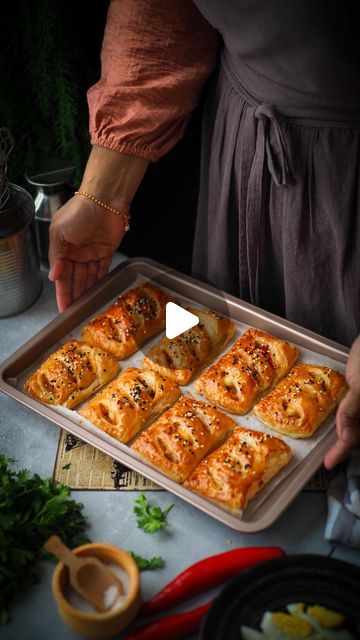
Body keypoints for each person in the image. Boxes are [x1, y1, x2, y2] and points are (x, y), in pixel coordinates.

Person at [48, 0, 360, 470]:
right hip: (244, 136)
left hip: (348, 170)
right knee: (214, 318)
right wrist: (103, 192)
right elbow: (159, 14)